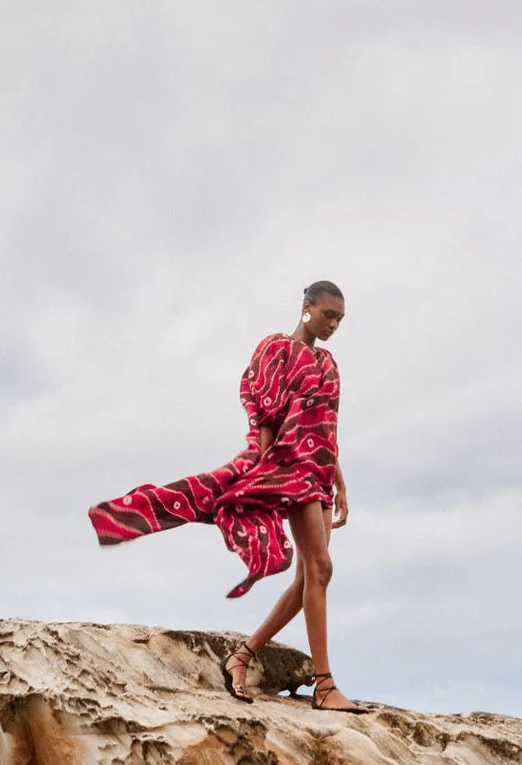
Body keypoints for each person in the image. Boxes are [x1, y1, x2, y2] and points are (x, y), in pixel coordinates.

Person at [88, 281, 362, 712]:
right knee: (321, 567)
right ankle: (324, 686)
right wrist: (262, 470)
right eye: (328, 315)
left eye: (340, 320)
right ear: (307, 307)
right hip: (289, 469)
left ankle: (241, 656)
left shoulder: (329, 363)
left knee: (311, 578)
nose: (333, 325)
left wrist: (339, 479)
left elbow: (326, 424)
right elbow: (268, 414)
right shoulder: (277, 349)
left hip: (321, 471)